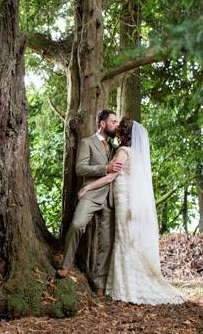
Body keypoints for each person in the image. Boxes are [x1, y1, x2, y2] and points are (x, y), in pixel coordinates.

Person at [77, 117, 187, 304]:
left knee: (125, 241)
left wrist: (87, 188)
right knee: (130, 242)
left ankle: (128, 287)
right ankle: (131, 283)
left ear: (123, 134)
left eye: (119, 128)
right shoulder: (138, 154)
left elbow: (110, 177)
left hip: (125, 203)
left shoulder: (123, 152)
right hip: (132, 203)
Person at [56, 109, 121, 298]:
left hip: (110, 198)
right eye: (113, 122)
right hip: (91, 194)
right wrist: (105, 168)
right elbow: (80, 168)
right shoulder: (87, 143)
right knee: (77, 225)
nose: (116, 126)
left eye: (117, 123)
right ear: (102, 123)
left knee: (107, 242)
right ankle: (66, 265)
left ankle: (100, 284)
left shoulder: (116, 148)